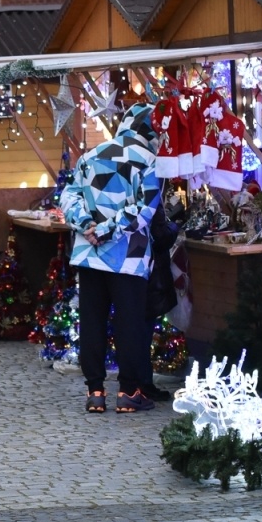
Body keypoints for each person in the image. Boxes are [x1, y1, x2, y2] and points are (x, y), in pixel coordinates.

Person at [59, 109, 162, 414]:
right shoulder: (149, 160)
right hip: (128, 257)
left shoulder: (91, 155)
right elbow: (146, 208)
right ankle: (129, 392)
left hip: (89, 255)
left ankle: (95, 392)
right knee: (128, 323)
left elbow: (69, 197)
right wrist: (107, 229)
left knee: (92, 321)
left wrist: (87, 225)